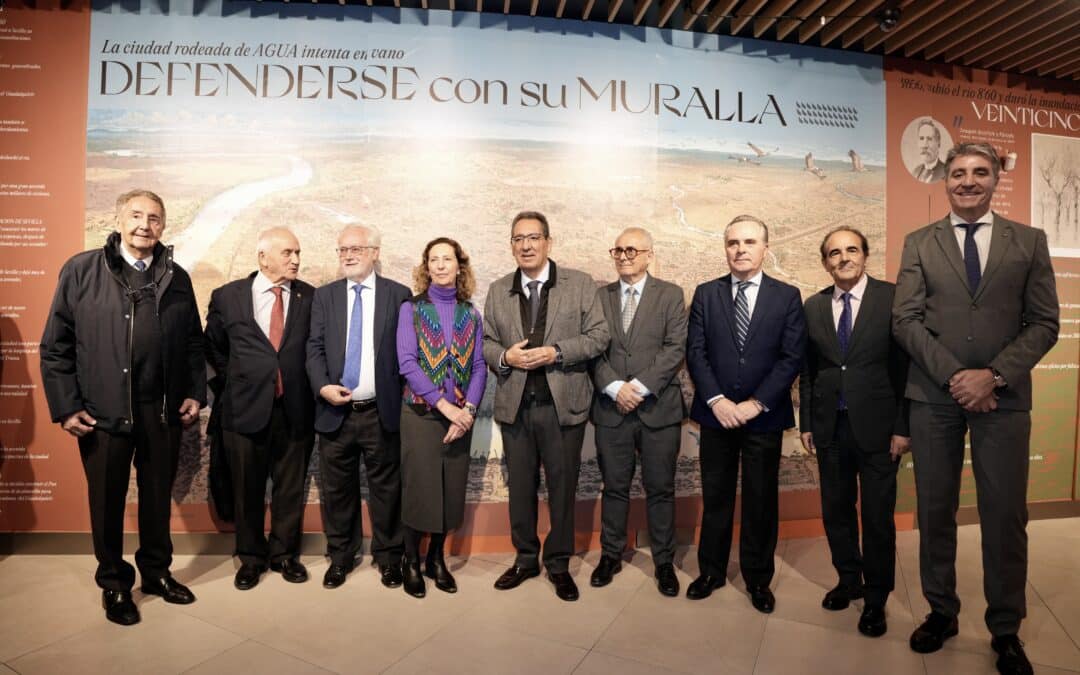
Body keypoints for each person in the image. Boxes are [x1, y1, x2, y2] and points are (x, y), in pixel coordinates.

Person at [893, 142, 1059, 675]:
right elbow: (905, 320)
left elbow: (1045, 323)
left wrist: (993, 376)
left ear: (995, 180)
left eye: (979, 172)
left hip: (1004, 398)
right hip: (935, 397)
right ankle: (941, 611)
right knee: (935, 509)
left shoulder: (1028, 241)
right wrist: (955, 377)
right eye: (959, 172)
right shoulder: (919, 242)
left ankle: (1005, 629)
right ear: (945, 180)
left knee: (1005, 515)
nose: (968, 181)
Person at [40, 189, 204, 626]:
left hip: (160, 410)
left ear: (163, 227)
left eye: (153, 218)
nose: (143, 225)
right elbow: (55, 346)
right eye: (135, 216)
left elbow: (192, 343)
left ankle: (156, 573)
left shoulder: (178, 277)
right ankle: (114, 585)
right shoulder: (81, 271)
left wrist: (193, 391)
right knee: (107, 502)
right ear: (118, 220)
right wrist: (66, 406)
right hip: (103, 411)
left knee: (156, 501)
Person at [482, 210, 609, 602]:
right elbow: (486, 343)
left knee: (562, 488)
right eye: (519, 239)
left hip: (562, 407)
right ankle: (524, 558)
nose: (526, 245)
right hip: (516, 407)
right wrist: (506, 358)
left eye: (534, 238)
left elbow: (598, 336)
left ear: (548, 242)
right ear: (511, 245)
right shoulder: (498, 288)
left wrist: (556, 352)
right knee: (520, 488)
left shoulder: (580, 284)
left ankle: (558, 564)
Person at [684, 214, 806, 613]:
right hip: (716, 415)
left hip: (763, 417)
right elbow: (696, 353)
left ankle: (758, 579)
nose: (740, 249)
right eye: (733, 242)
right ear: (725, 249)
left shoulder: (787, 296)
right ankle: (711, 572)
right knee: (716, 497)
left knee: (760, 500)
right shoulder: (706, 293)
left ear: (765, 249)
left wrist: (755, 404)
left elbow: (790, 358)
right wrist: (718, 401)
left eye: (749, 242)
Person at [799, 226, 910, 637]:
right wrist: (807, 424)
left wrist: (903, 427)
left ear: (865, 255)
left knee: (878, 517)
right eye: (833, 253)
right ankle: (849, 580)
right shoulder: (813, 306)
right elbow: (809, 373)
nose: (843, 258)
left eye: (851, 250)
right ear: (825, 262)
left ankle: (877, 598)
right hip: (830, 428)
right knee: (836, 510)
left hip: (881, 431)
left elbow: (906, 369)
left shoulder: (892, 298)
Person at [204, 227, 315, 590]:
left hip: (295, 409)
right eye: (287, 253)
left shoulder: (310, 297)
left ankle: (284, 556)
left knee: (289, 488)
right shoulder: (227, 297)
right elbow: (215, 349)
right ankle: (250, 558)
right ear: (263, 256)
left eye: (298, 252)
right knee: (245, 488)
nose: (296, 260)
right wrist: (240, 381)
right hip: (243, 409)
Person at [306, 224, 410, 589]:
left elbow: (406, 355)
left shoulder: (399, 295)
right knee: (337, 491)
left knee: (387, 490)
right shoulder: (325, 297)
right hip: (335, 412)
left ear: (375, 252)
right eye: (342, 250)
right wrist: (322, 387)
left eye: (356, 249)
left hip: (380, 412)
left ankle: (389, 557)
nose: (348, 255)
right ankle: (340, 558)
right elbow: (314, 348)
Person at [589, 227, 687, 597]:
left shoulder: (671, 295)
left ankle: (664, 562)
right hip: (612, 409)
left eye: (632, 249)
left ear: (649, 254)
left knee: (660, 489)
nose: (625, 255)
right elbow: (592, 350)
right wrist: (615, 387)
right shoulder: (599, 297)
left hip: (658, 409)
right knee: (614, 488)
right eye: (618, 250)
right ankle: (611, 555)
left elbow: (675, 347)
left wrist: (640, 387)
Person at [395, 237, 487, 598]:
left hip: (460, 418)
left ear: (459, 266)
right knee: (420, 491)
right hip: (420, 415)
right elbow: (407, 363)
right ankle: (410, 561)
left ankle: (435, 559)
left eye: (447, 259)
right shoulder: (411, 309)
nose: (440, 265)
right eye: (433, 259)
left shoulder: (471, 313)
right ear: (426, 267)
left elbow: (479, 366)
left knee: (449, 493)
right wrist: (445, 407)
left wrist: (467, 412)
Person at [911, 118, 946, 183]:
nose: (924, 145)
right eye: (921, 138)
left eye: (929, 139)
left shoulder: (946, 172)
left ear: (938, 143)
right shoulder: (915, 172)